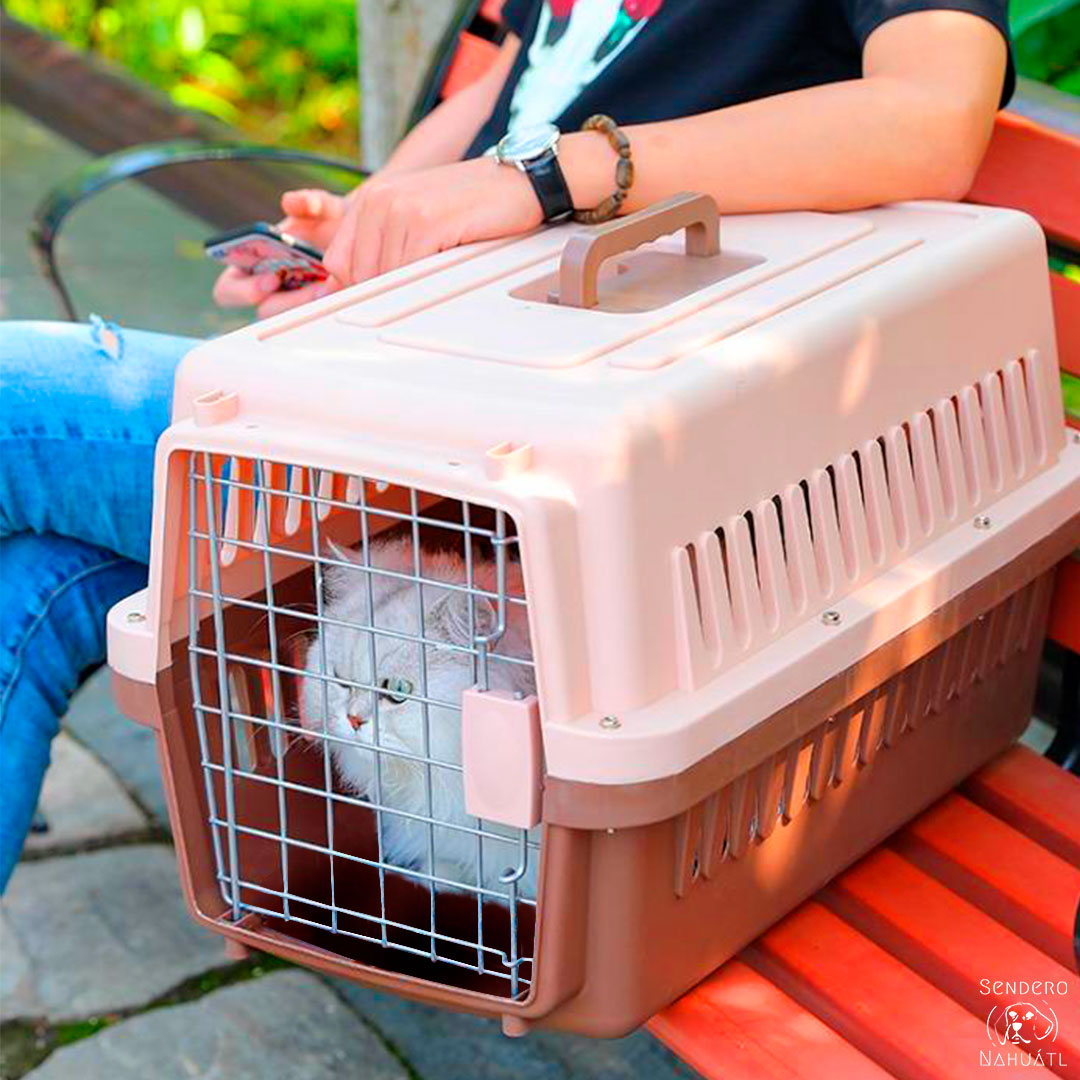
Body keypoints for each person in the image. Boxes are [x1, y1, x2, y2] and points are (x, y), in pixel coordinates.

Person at [0, 0, 1012, 890]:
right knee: (37, 583)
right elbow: (514, 80)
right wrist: (365, 229)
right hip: (420, 375)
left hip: (538, 463)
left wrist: (545, 178)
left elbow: (931, 115)